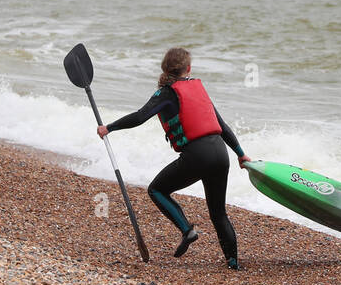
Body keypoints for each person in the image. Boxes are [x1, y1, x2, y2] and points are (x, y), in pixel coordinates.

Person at [99, 47, 251, 269]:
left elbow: (141, 116)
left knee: (157, 190)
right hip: (221, 153)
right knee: (218, 213)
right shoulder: (199, 90)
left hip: (198, 156)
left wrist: (109, 128)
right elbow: (222, 125)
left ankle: (187, 229)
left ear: (165, 68)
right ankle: (234, 263)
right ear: (188, 68)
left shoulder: (167, 93)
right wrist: (240, 153)